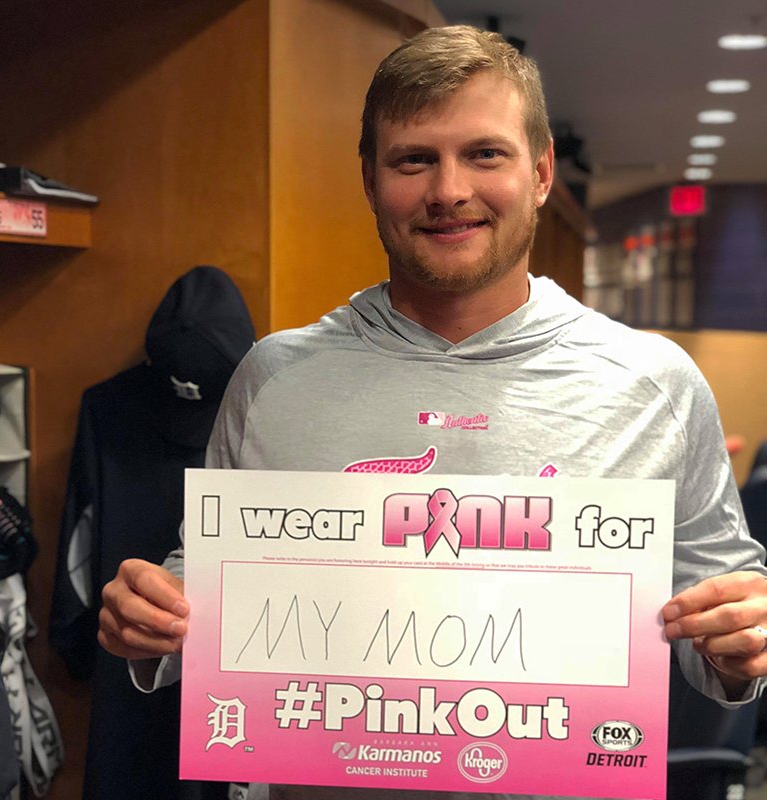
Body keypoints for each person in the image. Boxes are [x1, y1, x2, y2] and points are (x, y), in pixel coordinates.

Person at [98, 24, 767, 800]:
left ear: (541, 171)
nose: (448, 191)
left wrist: (743, 638)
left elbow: (724, 613)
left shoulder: (656, 384)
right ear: (370, 180)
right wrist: (150, 619)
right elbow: (207, 591)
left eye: (484, 154)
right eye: (414, 159)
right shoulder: (273, 377)